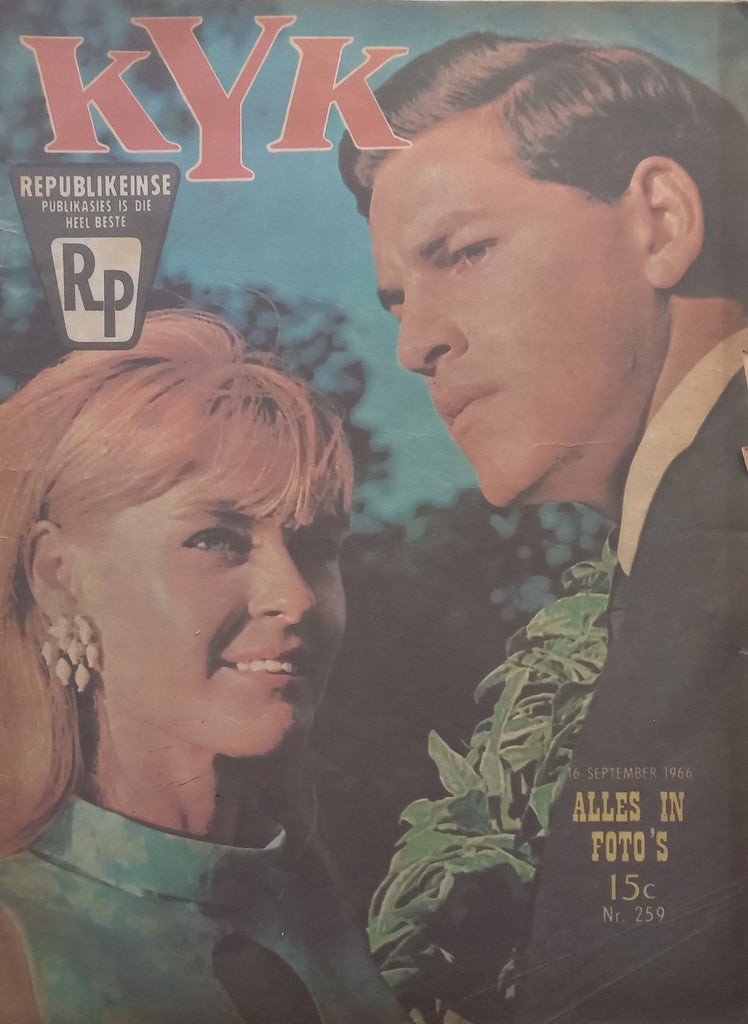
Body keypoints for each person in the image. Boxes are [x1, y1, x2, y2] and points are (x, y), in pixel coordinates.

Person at [340, 33, 748, 1023]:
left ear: (660, 223)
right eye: (398, 300)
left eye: (465, 253)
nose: (414, 343)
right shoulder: (670, 545)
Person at [0, 310, 407, 1024]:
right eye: (218, 539)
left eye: (318, 547)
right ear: (59, 576)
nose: (296, 598)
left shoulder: (355, 916)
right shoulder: (19, 942)